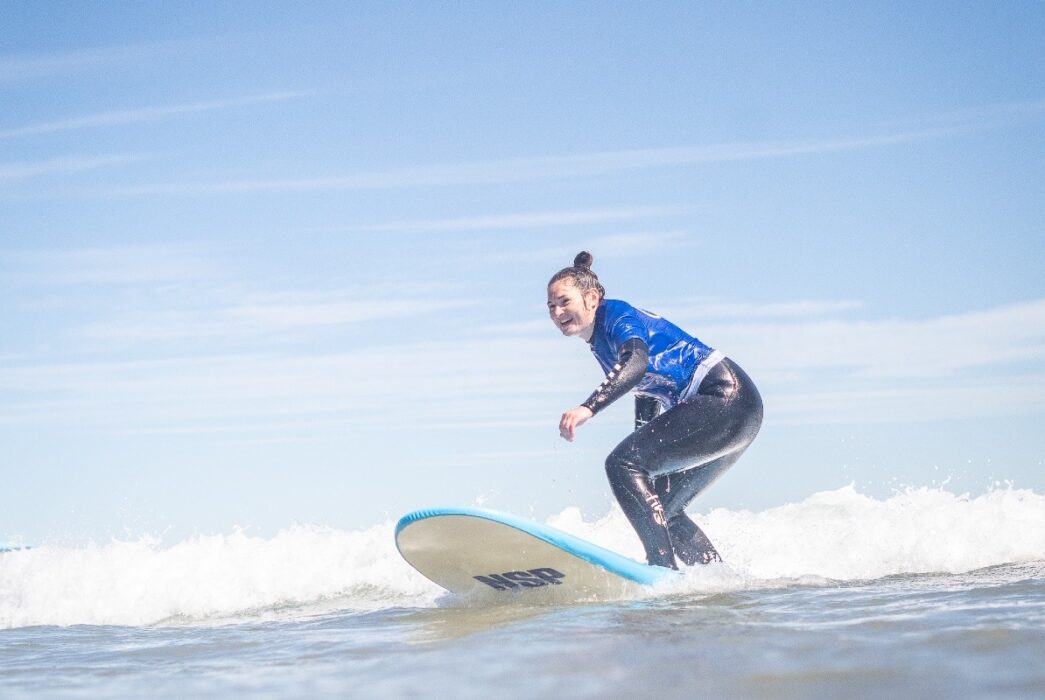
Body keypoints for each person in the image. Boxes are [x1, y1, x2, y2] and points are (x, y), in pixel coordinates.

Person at [548, 251, 763, 569]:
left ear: (591, 298)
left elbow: (636, 364)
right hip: (739, 412)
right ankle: (718, 578)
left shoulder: (616, 316)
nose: (556, 312)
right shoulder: (601, 340)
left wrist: (588, 407)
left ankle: (661, 570)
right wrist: (643, 438)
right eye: (551, 307)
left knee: (621, 465)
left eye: (564, 302)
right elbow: (647, 387)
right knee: (664, 506)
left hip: (724, 399)